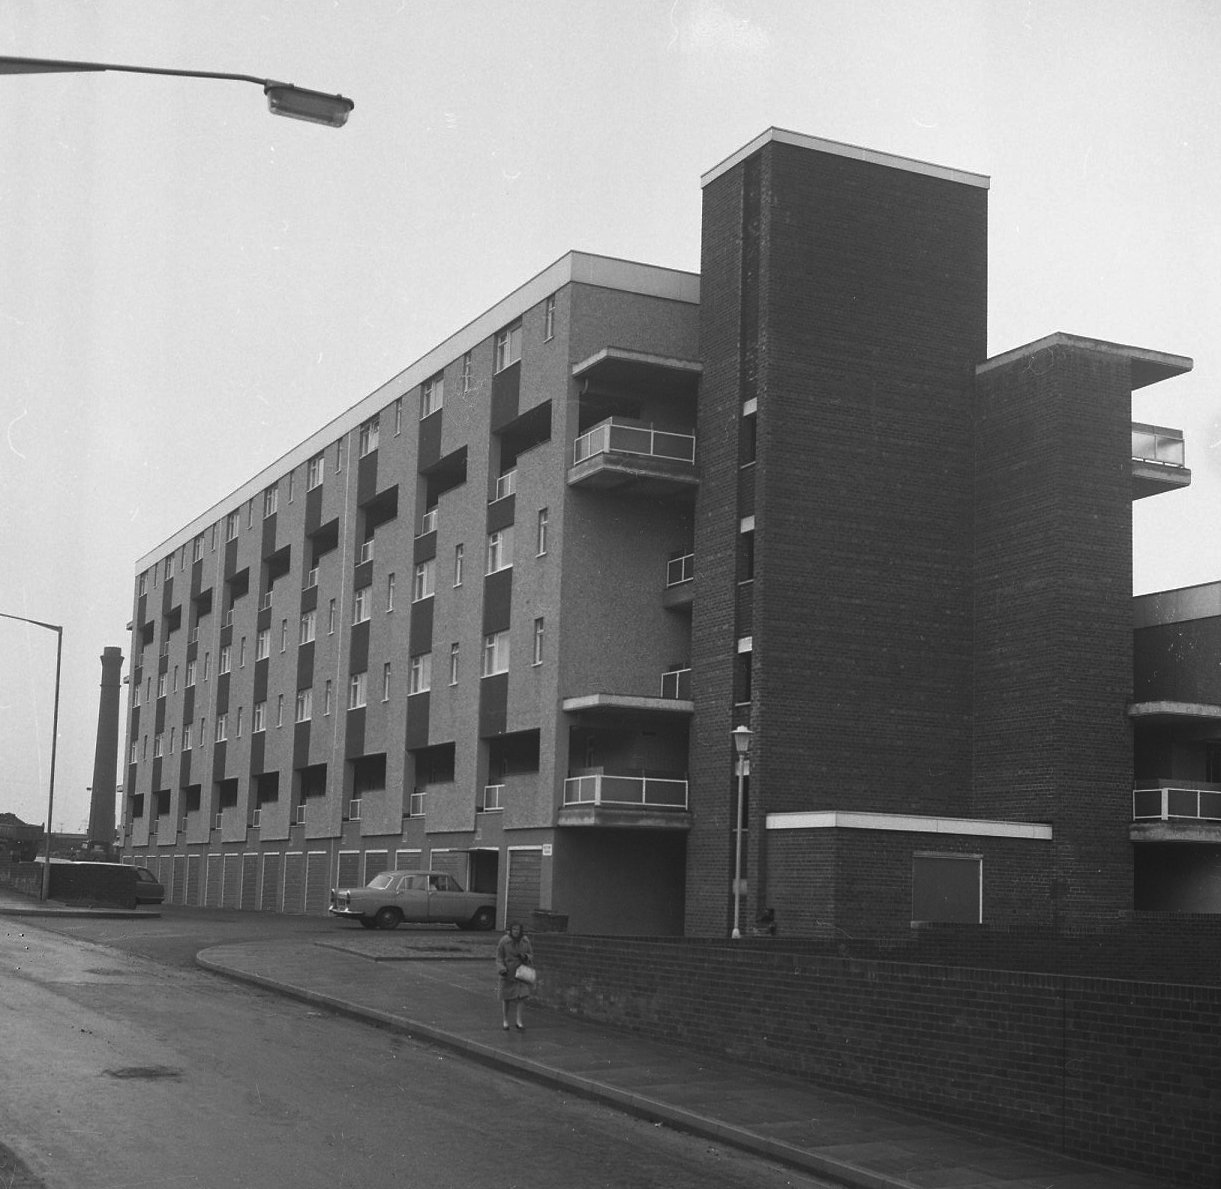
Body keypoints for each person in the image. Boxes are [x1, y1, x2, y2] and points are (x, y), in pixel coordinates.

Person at [496, 921, 534, 1031]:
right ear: (511, 930)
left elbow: (531, 955)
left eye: (518, 929)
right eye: (514, 929)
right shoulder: (504, 941)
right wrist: (502, 969)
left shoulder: (525, 941)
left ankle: (519, 1021)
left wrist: (525, 957)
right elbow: (499, 957)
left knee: (522, 996)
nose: (516, 932)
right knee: (506, 997)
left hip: (521, 971)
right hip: (508, 972)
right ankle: (505, 1020)